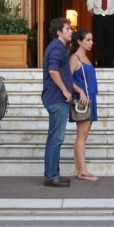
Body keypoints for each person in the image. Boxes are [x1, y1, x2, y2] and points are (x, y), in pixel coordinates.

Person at [40, 16, 75, 188]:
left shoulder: (59, 47)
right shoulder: (57, 48)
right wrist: (65, 90)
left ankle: (54, 174)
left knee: (55, 138)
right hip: (57, 99)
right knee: (56, 139)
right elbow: (53, 71)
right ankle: (52, 176)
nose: (71, 31)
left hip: (55, 98)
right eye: (68, 29)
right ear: (59, 32)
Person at [68, 29, 99, 182]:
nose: (91, 43)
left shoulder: (85, 57)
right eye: (88, 40)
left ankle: (77, 170)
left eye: (92, 39)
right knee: (83, 135)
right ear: (79, 41)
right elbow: (67, 78)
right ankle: (84, 171)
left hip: (90, 98)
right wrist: (80, 92)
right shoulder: (75, 58)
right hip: (83, 100)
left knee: (83, 135)